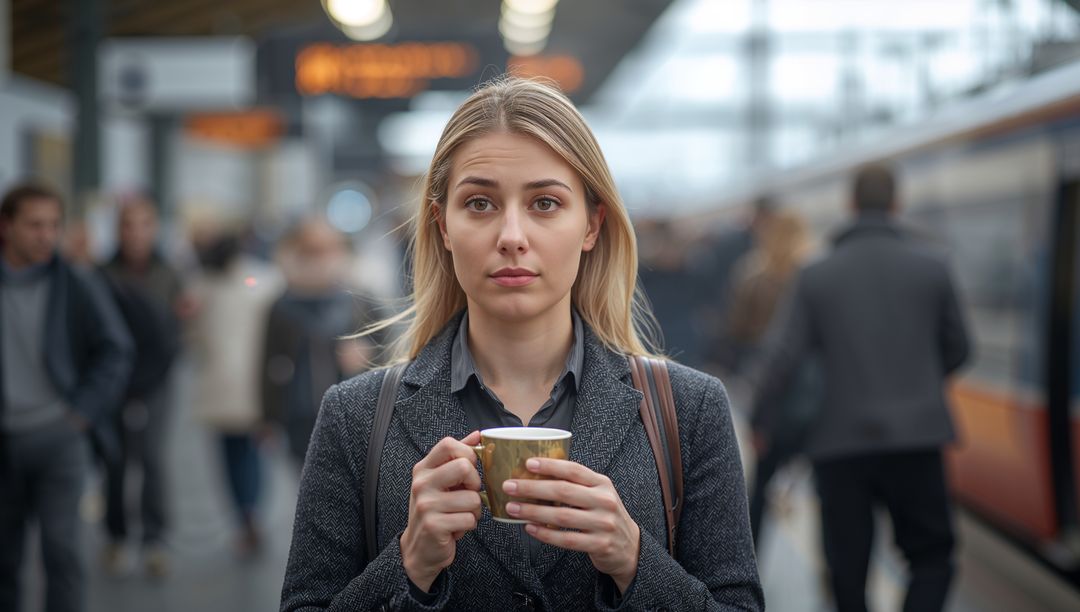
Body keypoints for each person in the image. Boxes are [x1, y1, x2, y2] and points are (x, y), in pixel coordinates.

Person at [280, 77, 763, 611]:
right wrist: (410, 563)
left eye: (546, 203)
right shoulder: (356, 419)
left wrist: (634, 560)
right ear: (442, 226)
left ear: (592, 225)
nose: (511, 234)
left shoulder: (689, 412)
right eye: (480, 203)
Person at [752, 163, 970, 612]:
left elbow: (783, 360)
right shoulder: (933, 267)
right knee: (932, 556)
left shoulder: (816, 275)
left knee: (846, 567)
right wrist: (920, 381)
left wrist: (761, 420)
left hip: (839, 443)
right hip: (918, 441)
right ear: (896, 204)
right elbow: (960, 348)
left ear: (851, 206)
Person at [0, 183, 133, 612]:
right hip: (5, 441)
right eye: (34, 225)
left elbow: (117, 349)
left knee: (62, 552)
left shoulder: (77, 283)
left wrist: (81, 413)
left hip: (60, 437)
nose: (46, 236)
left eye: (53, 225)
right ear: (6, 226)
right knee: (5, 559)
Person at [98, 195, 185, 577]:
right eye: (128, 225)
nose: (136, 233)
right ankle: (117, 535)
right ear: (118, 230)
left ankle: (154, 539)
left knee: (151, 456)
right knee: (115, 459)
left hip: (158, 379)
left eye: (143, 224)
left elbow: (177, 329)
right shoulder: (101, 273)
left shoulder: (169, 272)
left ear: (155, 228)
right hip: (111, 381)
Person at [724, 211, 820, 549]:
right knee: (823, 489)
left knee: (760, 485)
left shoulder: (751, 277)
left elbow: (733, 333)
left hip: (767, 392)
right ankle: (831, 575)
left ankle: (750, 562)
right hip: (812, 396)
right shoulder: (814, 277)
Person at [188, 226, 282, 557]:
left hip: (220, 386)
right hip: (255, 386)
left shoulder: (202, 285)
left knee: (231, 455)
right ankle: (250, 513)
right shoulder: (263, 280)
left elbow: (194, 333)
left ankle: (244, 516)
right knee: (254, 453)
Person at [261, 218, 380, 466]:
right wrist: (268, 417)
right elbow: (269, 361)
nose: (321, 259)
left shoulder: (360, 300)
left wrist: (368, 353)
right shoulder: (282, 305)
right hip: (300, 418)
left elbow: (391, 350)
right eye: (311, 251)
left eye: (329, 249)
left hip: (355, 417)